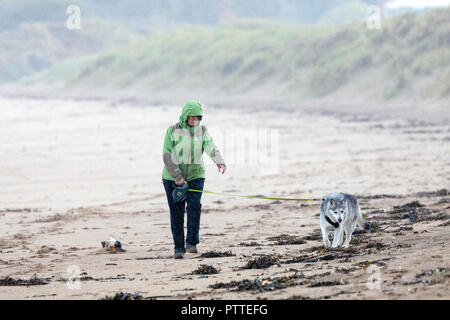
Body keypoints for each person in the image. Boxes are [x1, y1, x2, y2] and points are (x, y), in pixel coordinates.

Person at [162, 101, 226, 259]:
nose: (195, 120)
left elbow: (210, 145)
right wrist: (177, 176)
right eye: (192, 116)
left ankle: (192, 244)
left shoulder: (202, 130)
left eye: (198, 117)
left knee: (194, 207)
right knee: (176, 212)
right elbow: (167, 155)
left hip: (196, 176)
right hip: (172, 178)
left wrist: (219, 160)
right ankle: (178, 248)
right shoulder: (172, 130)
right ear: (185, 115)